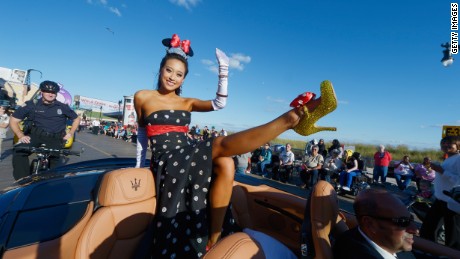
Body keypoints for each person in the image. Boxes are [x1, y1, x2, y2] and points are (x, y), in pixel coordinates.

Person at [134, 33, 337, 258]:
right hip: (167, 158)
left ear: (184, 79)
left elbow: (219, 102)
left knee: (227, 164)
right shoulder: (142, 97)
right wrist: (139, 166)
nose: (172, 77)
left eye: (179, 74)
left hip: (187, 152)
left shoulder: (186, 102)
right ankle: (293, 117)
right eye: (169, 70)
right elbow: (142, 136)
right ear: (161, 69)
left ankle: (214, 236)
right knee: (220, 144)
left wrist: (223, 71)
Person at [10, 80, 80, 180]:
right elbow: (13, 120)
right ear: (41, 92)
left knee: (55, 164)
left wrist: (71, 133)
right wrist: (20, 135)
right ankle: (23, 181)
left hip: (55, 137)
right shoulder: (31, 104)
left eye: (53, 92)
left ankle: (51, 185)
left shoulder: (63, 107)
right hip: (35, 135)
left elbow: (76, 119)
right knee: (19, 151)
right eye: (47, 91)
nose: (50, 94)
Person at [333, 188, 418, 258]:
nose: (415, 230)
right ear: (370, 224)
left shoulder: (352, 237)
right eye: (403, 221)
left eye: (411, 219)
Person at [420, 136, 460, 250]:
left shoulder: (458, 158)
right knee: (428, 228)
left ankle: (452, 254)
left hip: (452, 201)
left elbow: (458, 180)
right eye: (443, 144)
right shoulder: (449, 158)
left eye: (449, 144)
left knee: (453, 235)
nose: (445, 146)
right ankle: (429, 251)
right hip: (440, 199)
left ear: (457, 146)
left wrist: (441, 171)